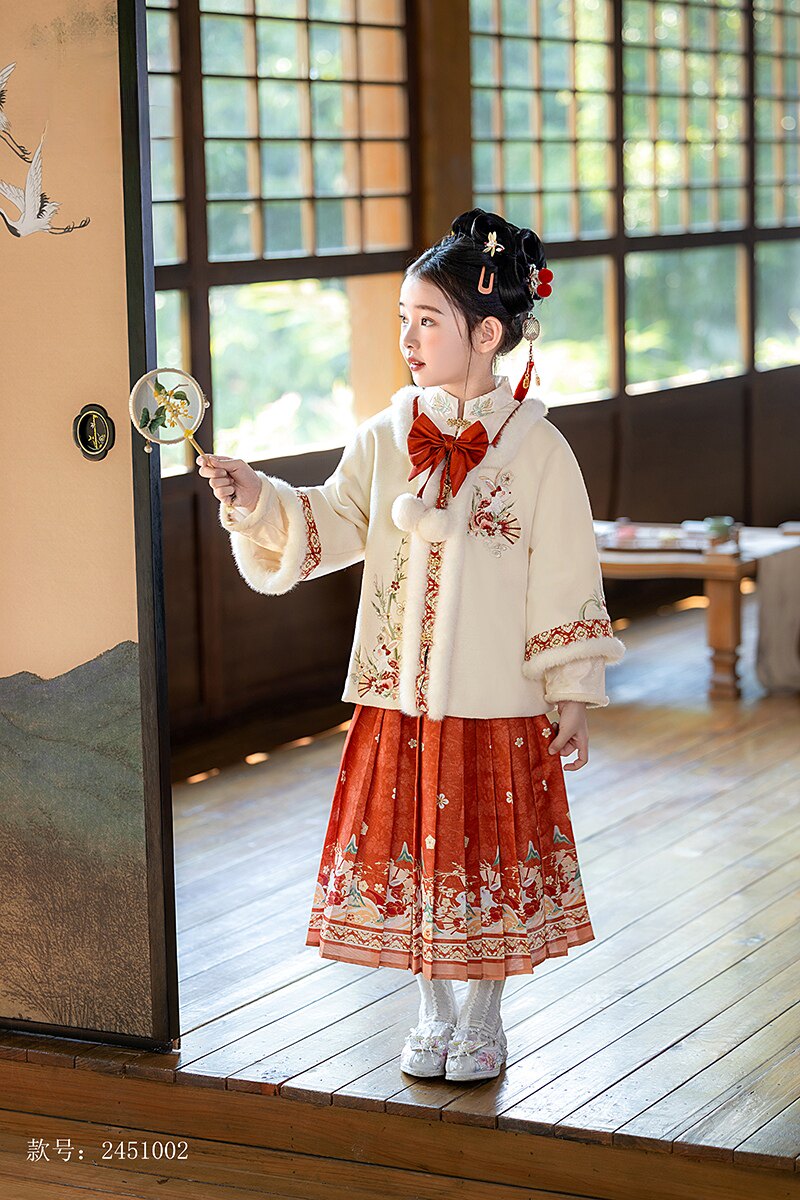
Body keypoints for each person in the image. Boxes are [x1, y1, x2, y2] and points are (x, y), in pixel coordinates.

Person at [198, 208, 626, 1085]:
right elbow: (331, 520)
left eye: (427, 321)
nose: (407, 338)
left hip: (495, 703)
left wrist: (571, 690)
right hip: (398, 699)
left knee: (483, 854)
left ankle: (484, 1017)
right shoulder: (385, 437)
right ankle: (431, 1013)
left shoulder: (540, 451)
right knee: (416, 859)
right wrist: (256, 498)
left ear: (487, 334)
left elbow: (565, 577)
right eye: (404, 319)